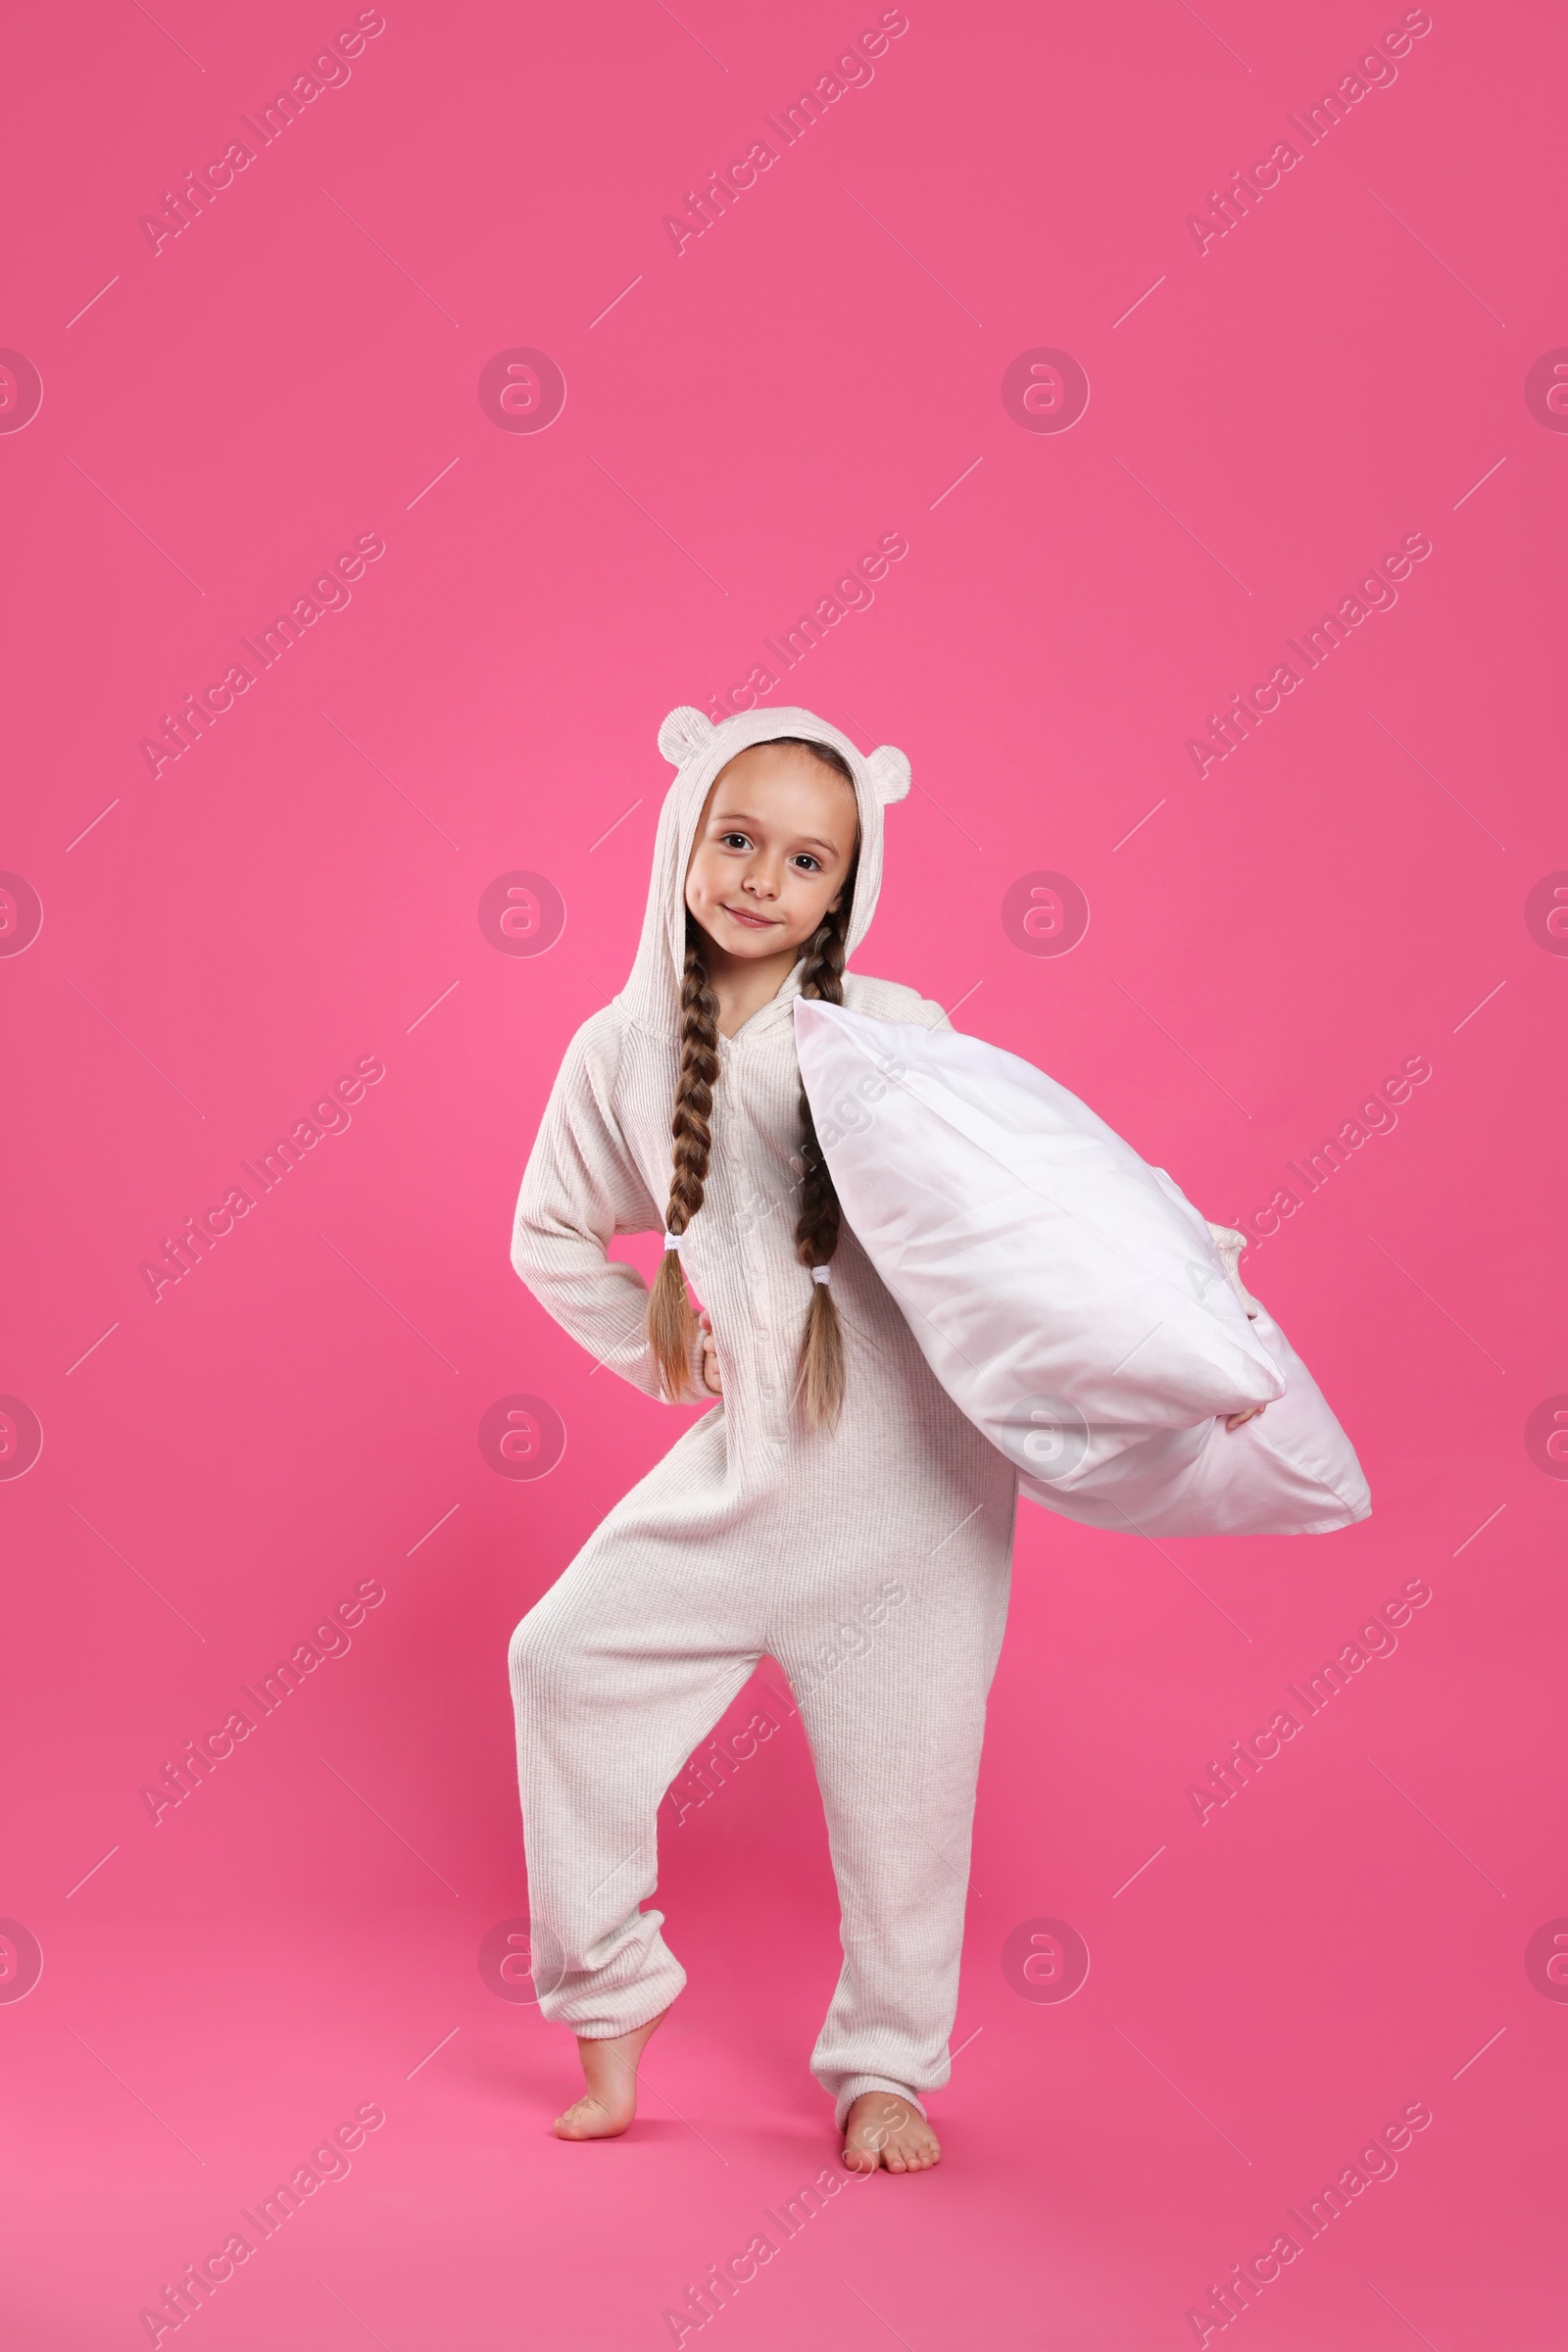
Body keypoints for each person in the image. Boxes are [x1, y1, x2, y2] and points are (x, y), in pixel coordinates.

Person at [506, 704, 1256, 2174]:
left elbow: (1044, 1204)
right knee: (559, 1661)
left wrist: (1192, 1313)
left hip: (918, 1507)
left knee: (908, 1809)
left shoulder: (891, 1034)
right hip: (747, 1483)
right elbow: (546, 1234)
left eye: (805, 861)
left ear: (844, 888)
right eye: (736, 840)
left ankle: (884, 2069)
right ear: (681, 837)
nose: (760, 881)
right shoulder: (620, 1050)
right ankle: (611, 2004)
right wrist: (669, 1347)